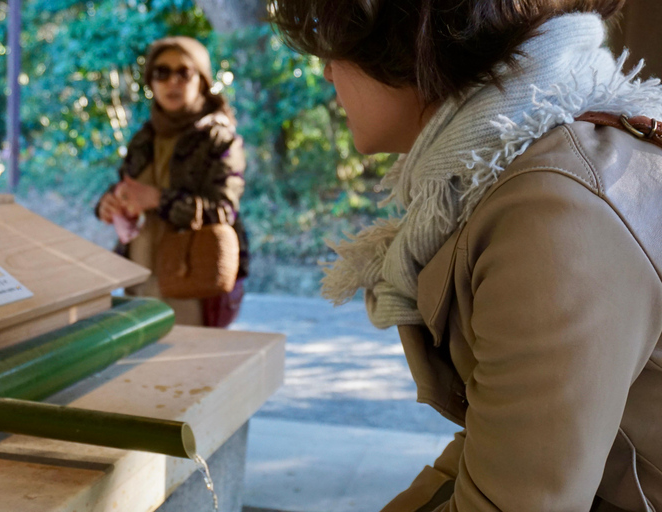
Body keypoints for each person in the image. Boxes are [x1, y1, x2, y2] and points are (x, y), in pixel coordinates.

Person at [272, 1, 662, 510]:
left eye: (334, 37)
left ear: (408, 37)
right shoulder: (540, 157)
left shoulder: (552, 209)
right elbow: (496, 446)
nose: (325, 69)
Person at [96, 36, 248, 327]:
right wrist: (109, 202)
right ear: (151, 82)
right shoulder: (143, 138)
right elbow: (126, 188)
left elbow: (223, 211)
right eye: (161, 72)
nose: (172, 81)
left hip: (191, 287)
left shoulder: (219, 139)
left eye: (184, 72)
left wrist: (158, 200)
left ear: (201, 81)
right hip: (138, 281)